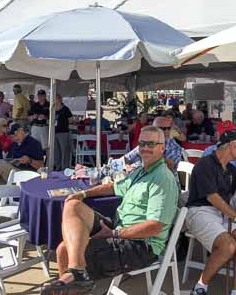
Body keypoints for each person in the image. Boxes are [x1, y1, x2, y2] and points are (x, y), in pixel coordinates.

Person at [41, 126, 179, 294]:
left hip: (140, 245)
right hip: (118, 228)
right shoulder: (142, 171)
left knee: (64, 250)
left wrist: (114, 234)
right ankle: (78, 273)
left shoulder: (162, 179)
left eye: (151, 144)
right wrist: (83, 193)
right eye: (142, 143)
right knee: (73, 205)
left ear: (162, 148)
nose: (145, 148)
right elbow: (114, 187)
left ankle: (77, 275)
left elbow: (155, 226)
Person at [185, 130, 236, 295]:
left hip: (221, 214)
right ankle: (200, 286)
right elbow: (212, 197)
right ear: (232, 145)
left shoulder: (228, 168)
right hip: (200, 211)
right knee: (228, 245)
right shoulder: (205, 164)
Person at [0, 124, 44, 189]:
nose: (15, 138)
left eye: (16, 135)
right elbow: (9, 160)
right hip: (11, 176)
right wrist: (12, 161)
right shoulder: (14, 145)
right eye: (12, 137)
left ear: (21, 130)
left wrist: (30, 160)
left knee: (1, 164)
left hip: (26, 177)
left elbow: (41, 166)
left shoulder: (33, 143)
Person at [54, 94, 73, 171]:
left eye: (56, 99)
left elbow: (71, 119)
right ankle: (58, 167)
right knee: (56, 151)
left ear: (60, 100)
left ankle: (65, 168)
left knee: (64, 151)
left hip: (63, 133)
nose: (54, 101)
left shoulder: (65, 109)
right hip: (54, 133)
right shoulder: (52, 109)